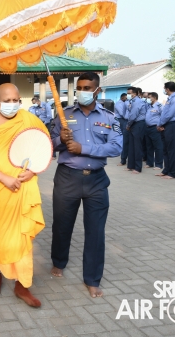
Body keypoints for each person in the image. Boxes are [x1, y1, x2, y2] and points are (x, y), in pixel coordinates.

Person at [0, 83, 46, 307]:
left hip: (23, 187)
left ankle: (22, 285)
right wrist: (4, 178)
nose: (12, 105)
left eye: (16, 100)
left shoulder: (29, 119)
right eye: (7, 100)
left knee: (22, 237)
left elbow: (43, 148)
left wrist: (32, 170)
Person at [50, 72, 122, 298]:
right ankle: (59, 262)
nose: (81, 91)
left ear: (97, 90)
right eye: (79, 87)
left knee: (96, 231)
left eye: (87, 87)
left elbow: (116, 147)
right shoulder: (64, 116)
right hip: (67, 178)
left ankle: (92, 278)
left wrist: (84, 148)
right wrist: (61, 139)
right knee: (62, 225)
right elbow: (49, 144)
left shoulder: (110, 118)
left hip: (97, 180)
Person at [156, 82, 175, 179]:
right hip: (165, 125)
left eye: (164, 88)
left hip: (171, 125)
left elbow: (169, 114)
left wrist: (160, 124)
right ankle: (166, 170)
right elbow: (164, 113)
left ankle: (172, 172)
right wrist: (160, 124)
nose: (164, 90)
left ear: (167, 89)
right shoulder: (169, 98)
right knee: (165, 149)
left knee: (171, 150)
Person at [126, 87, 147, 174]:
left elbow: (133, 115)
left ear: (134, 93)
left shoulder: (137, 101)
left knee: (137, 146)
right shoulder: (132, 101)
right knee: (132, 146)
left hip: (138, 124)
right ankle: (131, 165)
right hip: (133, 124)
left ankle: (138, 167)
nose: (128, 95)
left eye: (129, 93)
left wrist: (128, 124)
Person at [144, 92, 163, 169]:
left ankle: (158, 164)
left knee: (158, 146)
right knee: (149, 146)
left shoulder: (159, 106)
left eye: (149, 97)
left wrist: (161, 125)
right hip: (147, 128)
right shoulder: (148, 106)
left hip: (155, 128)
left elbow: (163, 116)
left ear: (154, 98)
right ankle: (149, 163)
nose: (148, 99)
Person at [114, 93, 129, 167]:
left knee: (128, 141)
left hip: (127, 120)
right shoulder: (118, 103)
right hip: (122, 120)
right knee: (124, 139)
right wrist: (127, 117)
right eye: (126, 98)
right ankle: (123, 160)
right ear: (122, 98)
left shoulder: (128, 102)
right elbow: (122, 113)